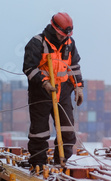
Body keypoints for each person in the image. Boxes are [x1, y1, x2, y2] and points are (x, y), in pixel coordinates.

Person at [23, 12, 84, 167]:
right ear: (54, 28)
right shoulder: (37, 43)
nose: (64, 37)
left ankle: (61, 161)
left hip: (63, 91)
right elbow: (29, 68)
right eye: (62, 34)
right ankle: (38, 164)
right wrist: (44, 83)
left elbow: (74, 66)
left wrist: (78, 88)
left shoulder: (70, 43)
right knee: (39, 132)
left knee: (67, 130)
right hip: (41, 92)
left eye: (67, 35)